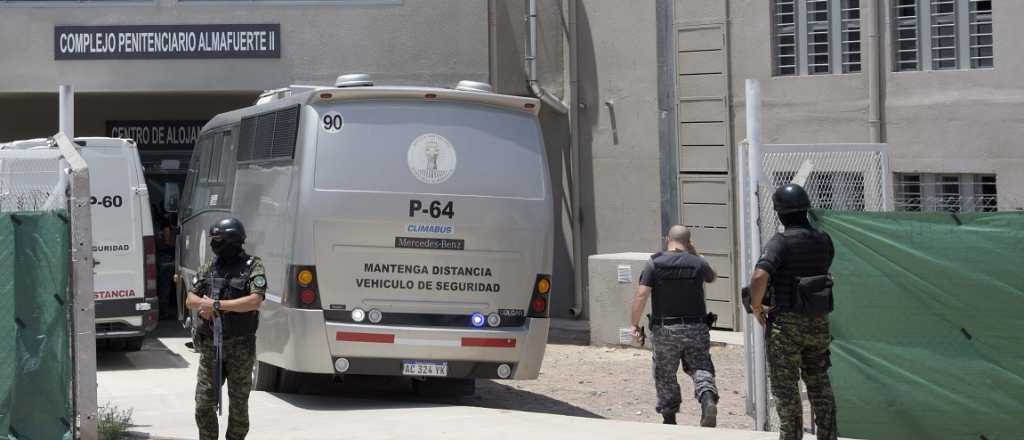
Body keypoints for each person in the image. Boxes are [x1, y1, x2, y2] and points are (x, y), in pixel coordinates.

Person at [748, 184, 837, 440]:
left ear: (780, 213)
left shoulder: (781, 242)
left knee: (786, 391)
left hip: (786, 326)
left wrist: (756, 306)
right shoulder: (823, 239)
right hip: (818, 323)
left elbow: (759, 276)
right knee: (820, 384)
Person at [185, 217, 267, 440]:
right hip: (212, 346)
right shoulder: (210, 266)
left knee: (238, 406)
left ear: (232, 239)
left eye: (218, 239)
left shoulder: (252, 266)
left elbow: (255, 301)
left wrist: (218, 305)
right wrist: (204, 305)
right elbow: (190, 298)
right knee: (203, 404)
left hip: (240, 346)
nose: (214, 243)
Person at [630, 225, 719, 427]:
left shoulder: (654, 262)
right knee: (701, 366)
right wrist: (694, 252)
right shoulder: (698, 262)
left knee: (665, 372)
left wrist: (634, 323)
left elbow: (642, 294)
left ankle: (669, 417)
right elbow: (712, 277)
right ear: (688, 241)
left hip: (665, 330)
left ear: (667, 238)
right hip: (696, 327)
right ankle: (707, 399)